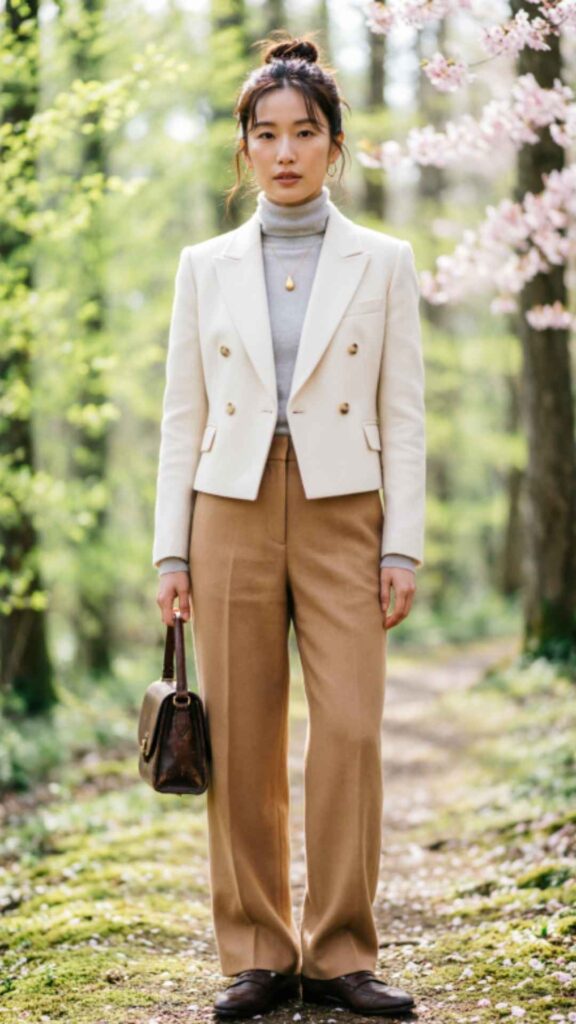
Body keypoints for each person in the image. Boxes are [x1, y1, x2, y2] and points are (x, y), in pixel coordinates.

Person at [153, 32, 425, 1021]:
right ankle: (258, 952)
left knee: (350, 728)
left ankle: (343, 951)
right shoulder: (205, 266)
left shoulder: (384, 262)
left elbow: (405, 415)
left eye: (304, 132)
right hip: (226, 507)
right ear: (245, 148)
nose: (284, 151)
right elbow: (181, 415)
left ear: (334, 146)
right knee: (242, 738)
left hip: (344, 508)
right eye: (265, 134)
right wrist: (170, 548)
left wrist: (402, 542)